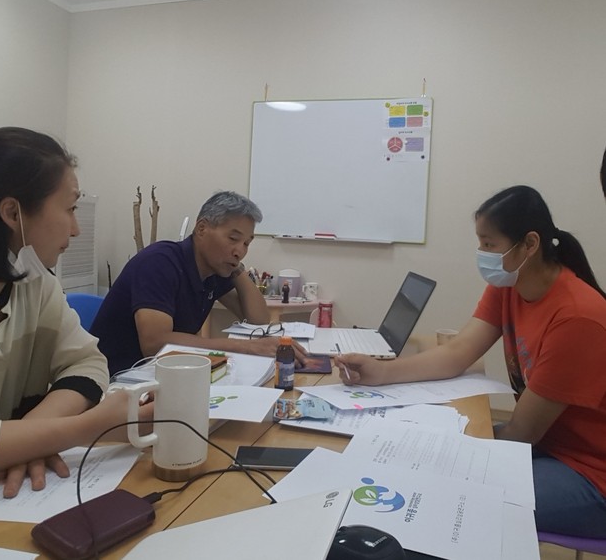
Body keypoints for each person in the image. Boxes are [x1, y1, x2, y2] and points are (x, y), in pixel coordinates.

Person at [335, 186, 606, 538]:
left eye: (489, 244)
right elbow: (458, 352)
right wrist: (381, 371)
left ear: (529, 244)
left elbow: (521, 434)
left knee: (449, 499)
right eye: (480, 243)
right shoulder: (509, 284)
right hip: (547, 447)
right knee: (426, 468)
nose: (482, 254)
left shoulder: (577, 317)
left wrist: (449, 452)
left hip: (590, 473)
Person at [0, 127, 151, 498]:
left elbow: (87, 363)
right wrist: (85, 427)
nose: (76, 228)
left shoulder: (34, 282)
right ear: (12, 212)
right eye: (70, 208)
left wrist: (30, 438)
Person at [91, 191, 307, 375]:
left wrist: (237, 268)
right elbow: (155, 344)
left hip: (167, 373)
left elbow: (258, 319)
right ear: (202, 228)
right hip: (119, 378)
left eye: (246, 243)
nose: (240, 251)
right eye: (233, 239)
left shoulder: (213, 270)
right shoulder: (159, 262)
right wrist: (247, 347)